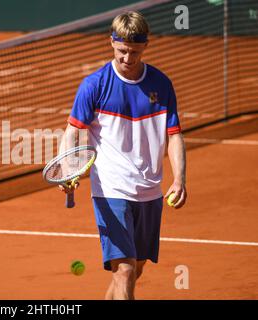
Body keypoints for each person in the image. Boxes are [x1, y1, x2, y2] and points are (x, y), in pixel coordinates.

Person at [60, 11, 187, 300]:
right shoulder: (94, 85)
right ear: (111, 43)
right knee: (125, 270)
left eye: (134, 52)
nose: (127, 58)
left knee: (135, 269)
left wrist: (179, 178)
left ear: (145, 46)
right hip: (111, 188)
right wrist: (68, 167)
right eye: (121, 51)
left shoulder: (161, 84)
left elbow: (174, 134)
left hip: (149, 190)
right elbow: (71, 131)